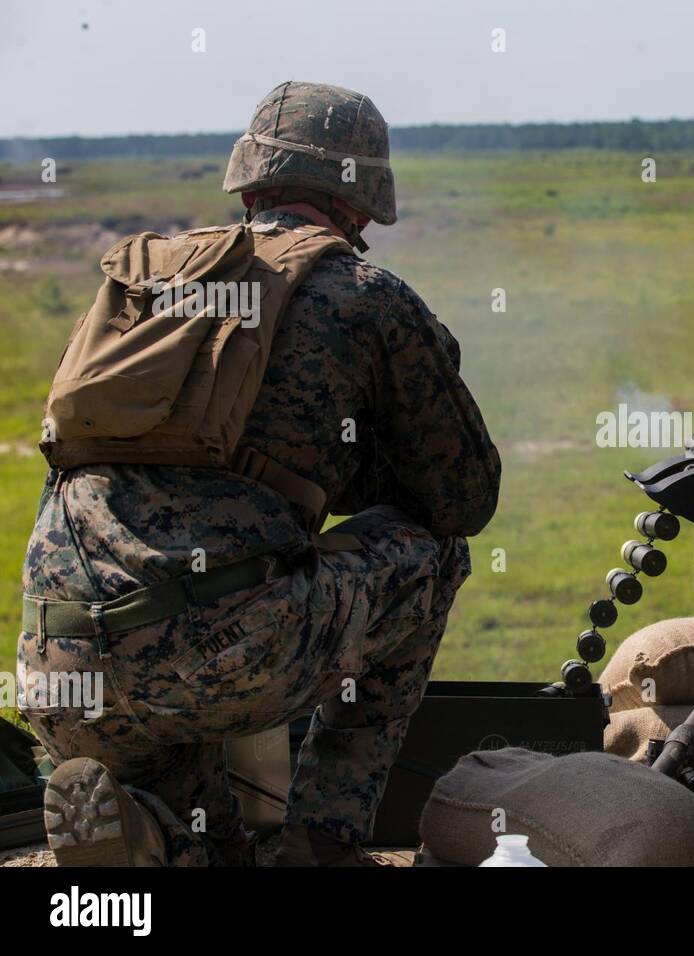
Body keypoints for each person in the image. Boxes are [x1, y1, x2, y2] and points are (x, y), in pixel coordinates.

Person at [21, 81, 501, 866]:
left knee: (218, 844)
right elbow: (463, 499)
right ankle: (322, 841)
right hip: (223, 656)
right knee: (433, 555)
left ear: (249, 180)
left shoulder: (148, 284)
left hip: (64, 665)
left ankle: (148, 835)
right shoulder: (365, 296)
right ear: (364, 199)